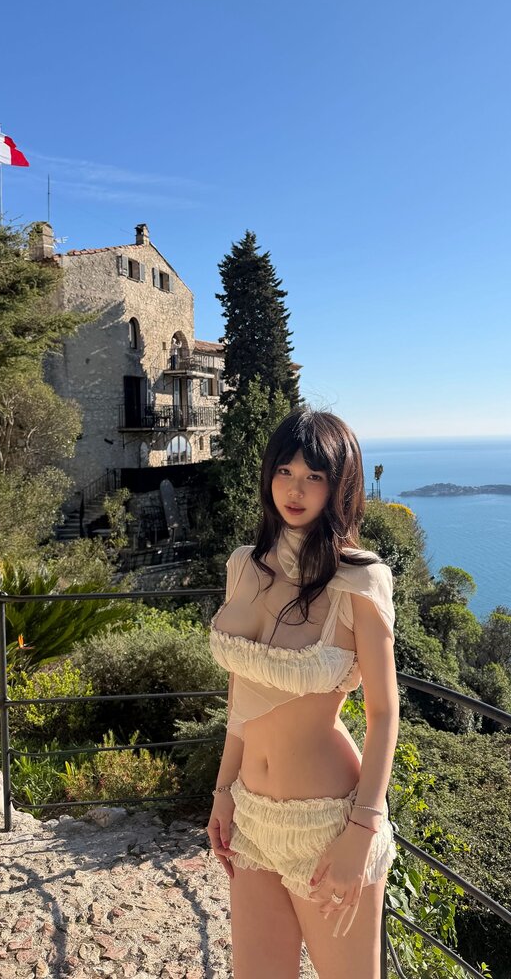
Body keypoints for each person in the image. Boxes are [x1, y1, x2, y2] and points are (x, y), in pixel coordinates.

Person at [207, 409, 399, 979]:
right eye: (285, 471)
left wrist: (360, 832)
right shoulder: (243, 566)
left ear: (340, 486)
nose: (295, 489)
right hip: (251, 815)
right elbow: (241, 700)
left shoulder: (360, 581)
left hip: (328, 823)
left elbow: (384, 714)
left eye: (314, 476)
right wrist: (223, 792)